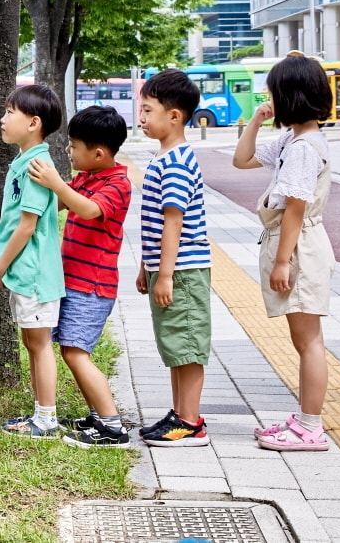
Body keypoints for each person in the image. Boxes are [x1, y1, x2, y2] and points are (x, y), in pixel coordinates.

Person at [232, 52, 335, 452]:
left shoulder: (304, 147)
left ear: (291, 95)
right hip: (297, 244)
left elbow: (295, 208)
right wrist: (257, 120)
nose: (268, 98)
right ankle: (305, 419)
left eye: (272, 92)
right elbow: (241, 160)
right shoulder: (294, 139)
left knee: (309, 342)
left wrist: (281, 263)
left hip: (300, 248)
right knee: (304, 339)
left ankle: (310, 427)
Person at [27, 105, 133, 448]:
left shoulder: (118, 183)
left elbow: (88, 209)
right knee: (70, 349)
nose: (68, 151)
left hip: (93, 286)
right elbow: (59, 203)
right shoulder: (86, 177)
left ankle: (113, 427)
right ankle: (98, 415)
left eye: (73, 146)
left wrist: (56, 183)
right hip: (72, 281)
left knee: (75, 351)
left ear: (98, 153)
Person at [136, 69, 211, 447]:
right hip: (167, 268)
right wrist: (146, 267)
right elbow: (156, 223)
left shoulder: (177, 162)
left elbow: (173, 222)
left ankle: (191, 422)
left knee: (188, 344)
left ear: (175, 116)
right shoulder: (164, 157)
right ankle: (180, 413)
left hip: (182, 270)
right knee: (175, 344)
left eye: (148, 110)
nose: (141, 117)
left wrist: (164, 274)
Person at [0, 84, 65, 437]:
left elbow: (26, 225)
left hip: (33, 273)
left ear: (33, 123)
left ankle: (47, 418)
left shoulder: (37, 165)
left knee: (39, 344)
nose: (3, 119)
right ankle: (39, 413)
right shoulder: (25, 161)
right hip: (25, 272)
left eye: (10, 113)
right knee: (32, 343)